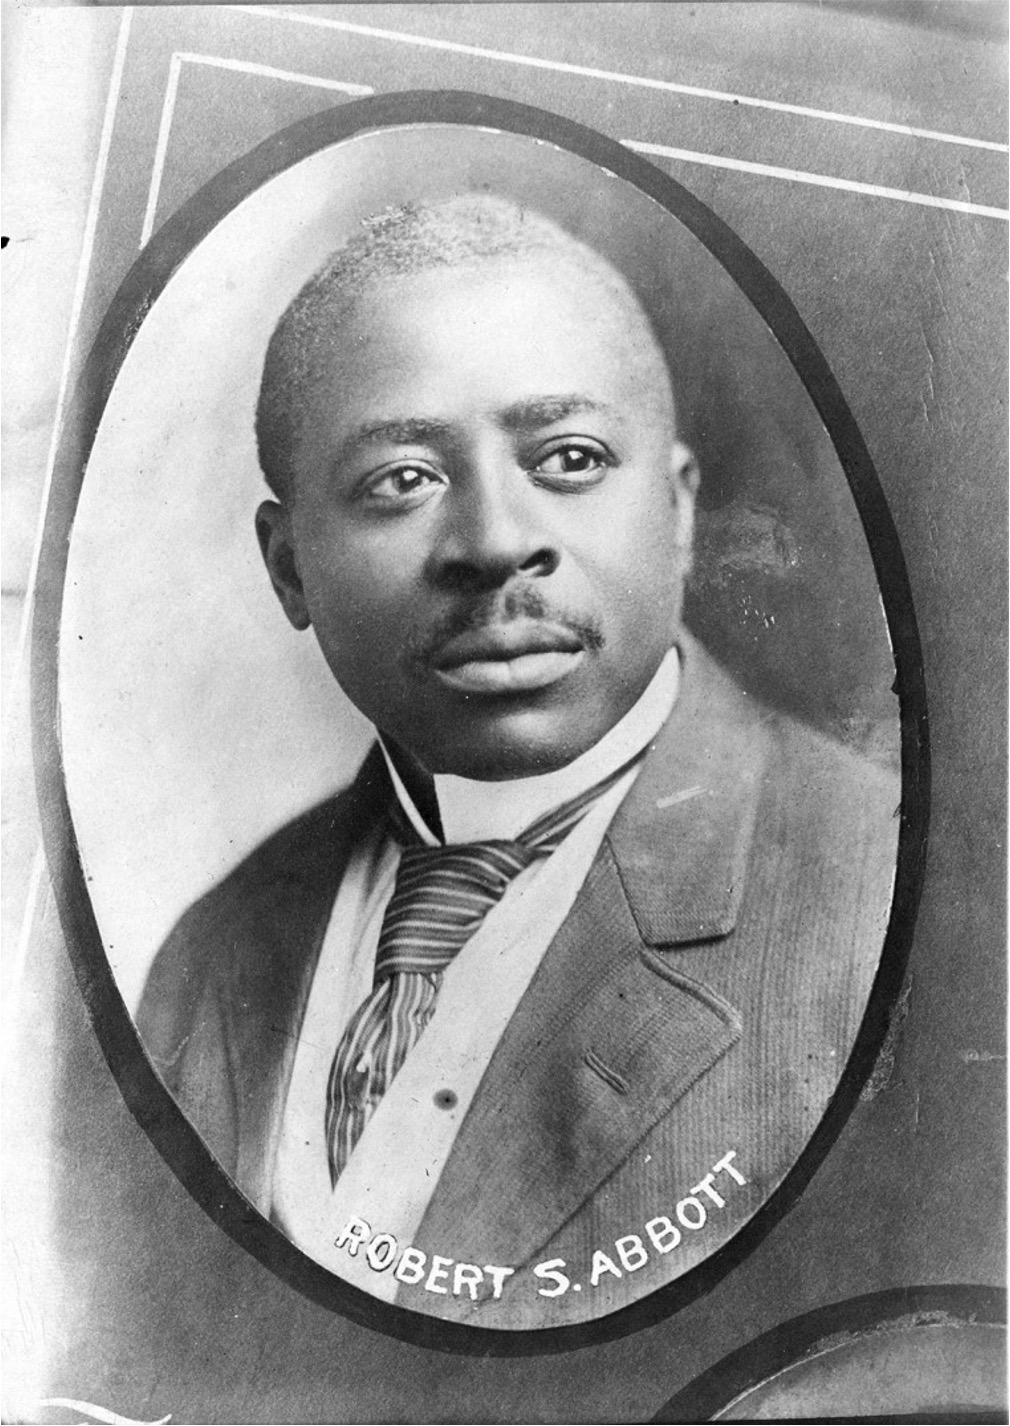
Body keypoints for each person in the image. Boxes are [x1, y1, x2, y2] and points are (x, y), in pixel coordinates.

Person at [138, 194, 898, 1330]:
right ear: (289, 567)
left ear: (680, 515)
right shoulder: (210, 954)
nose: (494, 540)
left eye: (570, 456)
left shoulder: (881, 901)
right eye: (401, 479)